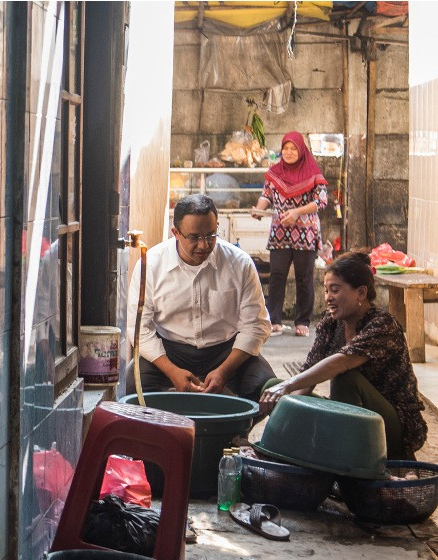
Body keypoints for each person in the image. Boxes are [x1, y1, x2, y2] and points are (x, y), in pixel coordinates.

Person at [259, 251, 427, 460]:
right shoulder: (331, 325)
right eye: (326, 290)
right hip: (352, 419)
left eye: (335, 290)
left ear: (361, 293)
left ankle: (346, 459)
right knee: (272, 387)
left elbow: (343, 362)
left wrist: (289, 385)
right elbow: (307, 376)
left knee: (345, 379)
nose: (328, 297)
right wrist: (287, 409)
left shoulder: (382, 325)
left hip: (392, 426)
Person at [125, 194, 275, 402]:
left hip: (226, 350)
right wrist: (172, 371)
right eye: (194, 237)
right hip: (169, 349)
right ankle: (164, 434)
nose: (204, 245)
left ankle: (234, 433)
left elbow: (256, 326)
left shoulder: (240, 263)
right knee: (133, 387)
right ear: (176, 233)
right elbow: (139, 329)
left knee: (264, 389)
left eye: (211, 235)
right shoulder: (150, 264)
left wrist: (223, 371)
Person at [252, 131, 328, 338]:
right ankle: (274, 320)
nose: (288, 152)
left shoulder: (312, 171)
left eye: (293, 148)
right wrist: (258, 210)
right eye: (285, 148)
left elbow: (321, 201)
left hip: (306, 233)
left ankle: (302, 321)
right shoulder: (275, 172)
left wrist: (297, 212)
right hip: (280, 232)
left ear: (301, 150)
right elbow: (266, 195)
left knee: (304, 278)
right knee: (277, 275)